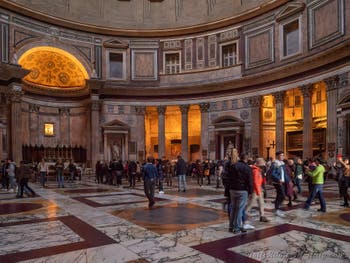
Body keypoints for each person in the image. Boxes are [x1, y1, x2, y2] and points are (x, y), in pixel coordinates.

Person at [227, 152, 253, 234]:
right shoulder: (247, 167)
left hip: (232, 189)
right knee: (240, 209)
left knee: (234, 208)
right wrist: (251, 192)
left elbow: (228, 178)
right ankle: (237, 228)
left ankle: (231, 226)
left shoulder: (233, 166)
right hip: (242, 190)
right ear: (246, 159)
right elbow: (250, 181)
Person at [246, 158, 269, 223]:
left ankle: (262, 216)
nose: (263, 166)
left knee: (261, 203)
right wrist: (258, 191)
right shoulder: (255, 171)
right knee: (250, 204)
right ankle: (243, 215)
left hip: (259, 189)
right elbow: (255, 182)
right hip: (255, 190)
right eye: (262, 164)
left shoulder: (258, 170)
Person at [270, 151, 289, 217]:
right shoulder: (275, 163)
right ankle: (277, 209)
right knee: (282, 195)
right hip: (278, 182)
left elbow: (284, 173)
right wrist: (278, 179)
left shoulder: (282, 163)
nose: (283, 156)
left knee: (279, 195)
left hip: (283, 181)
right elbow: (272, 173)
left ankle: (277, 209)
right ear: (277, 156)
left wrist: (288, 180)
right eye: (281, 155)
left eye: (283, 155)